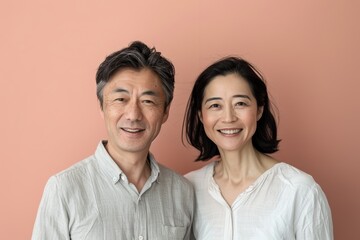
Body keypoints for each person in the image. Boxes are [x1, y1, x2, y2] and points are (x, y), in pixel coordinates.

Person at [32, 41, 194, 240]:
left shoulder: (182, 192)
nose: (133, 115)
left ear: (165, 111)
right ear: (102, 106)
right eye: (120, 99)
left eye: (148, 101)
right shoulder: (64, 189)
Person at [183, 57, 333, 239]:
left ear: (259, 109)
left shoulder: (299, 190)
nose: (228, 117)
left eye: (240, 103)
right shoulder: (187, 188)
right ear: (201, 115)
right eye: (215, 105)